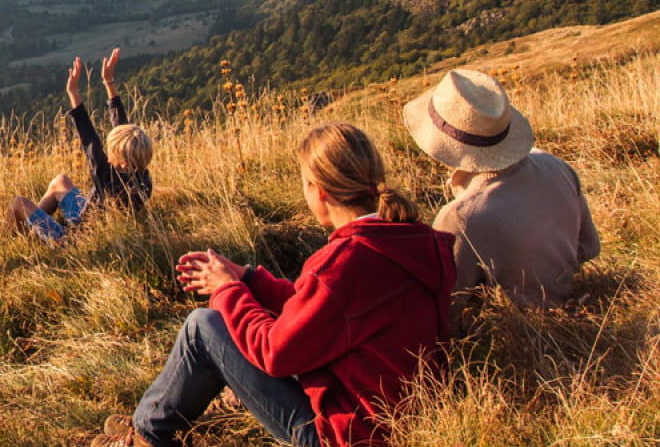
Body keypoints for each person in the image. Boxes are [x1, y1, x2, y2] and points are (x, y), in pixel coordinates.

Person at [99, 123, 456, 447]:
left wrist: (226, 290)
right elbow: (323, 311)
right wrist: (249, 280)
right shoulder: (415, 242)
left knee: (202, 328)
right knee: (216, 327)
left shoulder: (343, 264)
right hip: (401, 420)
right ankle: (148, 424)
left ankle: (145, 434)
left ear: (318, 191)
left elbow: (275, 352)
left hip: (344, 435)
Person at [403, 68, 599, 310]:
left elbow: (445, 309)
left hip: (511, 333)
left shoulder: (461, 217)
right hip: (567, 308)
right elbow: (589, 248)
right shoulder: (557, 166)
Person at [11, 49, 153, 242]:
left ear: (123, 163)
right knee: (60, 182)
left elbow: (89, 139)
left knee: (19, 203)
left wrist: (74, 93)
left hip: (74, 241)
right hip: (91, 221)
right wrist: (108, 83)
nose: (107, 153)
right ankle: (33, 230)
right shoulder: (142, 177)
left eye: (111, 152)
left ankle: (13, 240)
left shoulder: (108, 177)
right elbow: (122, 129)